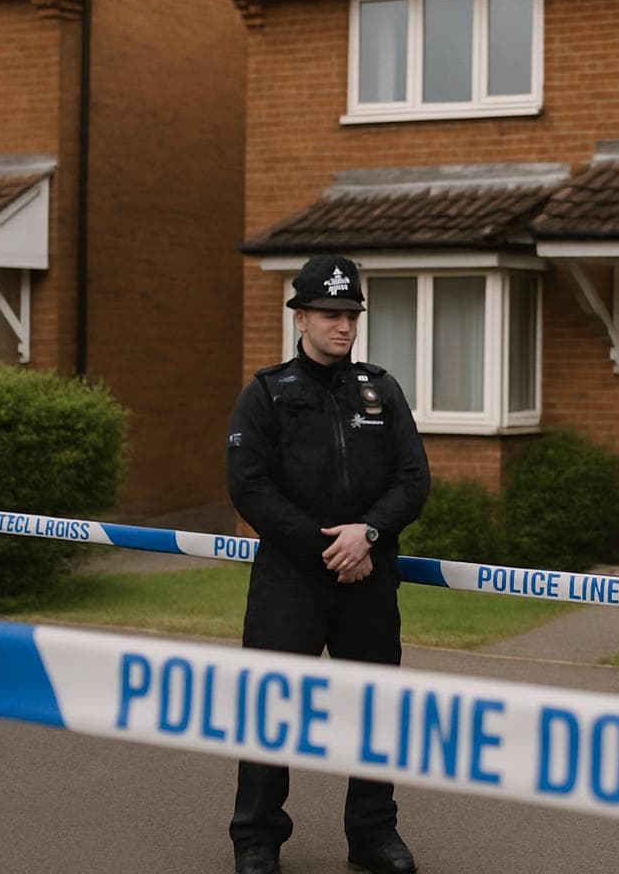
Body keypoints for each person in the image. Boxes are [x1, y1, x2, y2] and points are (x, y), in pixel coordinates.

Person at [226, 255, 430, 874]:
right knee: (270, 709)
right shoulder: (266, 392)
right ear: (301, 317)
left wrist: (366, 536)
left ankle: (373, 835)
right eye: (331, 315)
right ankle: (257, 839)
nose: (344, 327)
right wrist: (330, 550)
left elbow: (412, 478)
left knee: (374, 709)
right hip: (291, 581)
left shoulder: (381, 388)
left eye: (351, 315)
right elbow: (249, 485)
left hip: (368, 580)